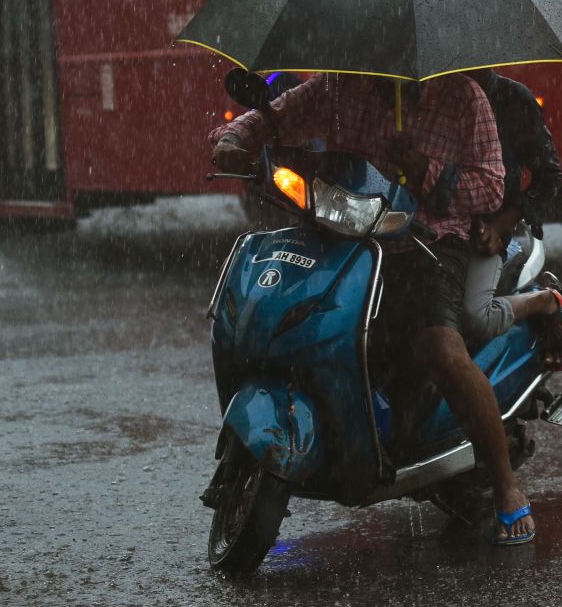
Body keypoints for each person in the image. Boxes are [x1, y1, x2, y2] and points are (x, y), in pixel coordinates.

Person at [208, 71, 539, 546]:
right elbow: (275, 116)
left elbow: (490, 187)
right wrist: (235, 139)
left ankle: (507, 486)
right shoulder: (339, 85)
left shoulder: (464, 99)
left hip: (429, 242)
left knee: (440, 349)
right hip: (343, 233)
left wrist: (425, 168)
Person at [461, 70, 562, 351]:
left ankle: (545, 300)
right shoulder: (428, 97)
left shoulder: (514, 100)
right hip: (429, 231)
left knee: (476, 316)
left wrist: (501, 225)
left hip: (488, 232)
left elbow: (549, 175)